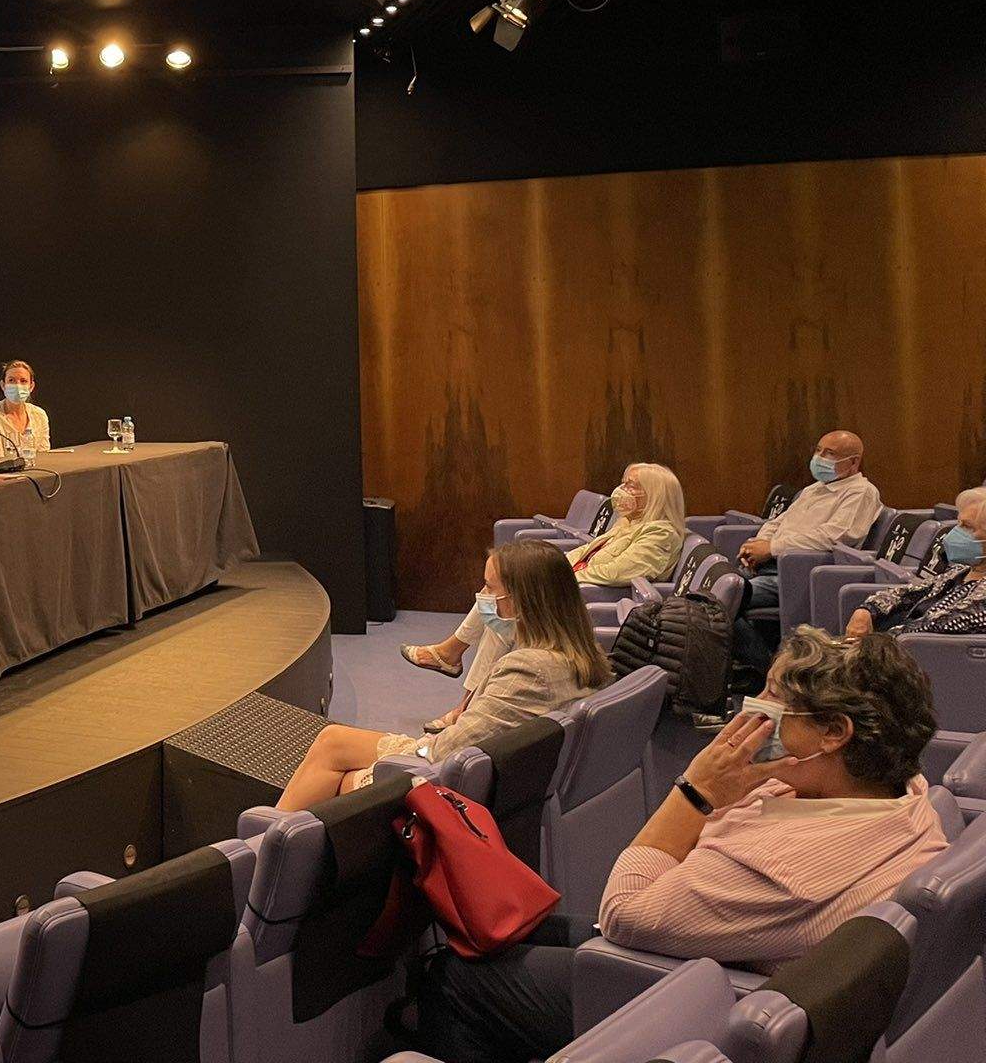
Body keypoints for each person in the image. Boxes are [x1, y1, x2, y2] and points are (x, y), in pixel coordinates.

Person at [416, 626, 946, 1063]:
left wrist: (694, 793)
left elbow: (622, 912)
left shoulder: (784, 870)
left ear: (834, 733)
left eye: (774, 695)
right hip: (732, 944)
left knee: (455, 976)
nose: (754, 707)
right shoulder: (906, 794)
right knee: (513, 929)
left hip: (701, 997)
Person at [274, 541, 609, 810]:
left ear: (523, 602)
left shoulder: (528, 670)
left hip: (455, 788)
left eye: (490, 589)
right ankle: (276, 832)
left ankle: (270, 847)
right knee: (332, 739)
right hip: (497, 774)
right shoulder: (582, 653)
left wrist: (394, 760)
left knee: (341, 778)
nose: (483, 599)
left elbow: (443, 752)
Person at [401, 463, 685, 731]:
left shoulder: (660, 533)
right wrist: (548, 572)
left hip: (585, 608)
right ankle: (465, 700)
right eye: (623, 483)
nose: (621, 491)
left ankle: (456, 672)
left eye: (632, 486)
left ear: (656, 496)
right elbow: (577, 557)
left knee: (502, 609)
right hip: (572, 596)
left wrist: (553, 579)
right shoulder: (627, 526)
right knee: (499, 601)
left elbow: (617, 572)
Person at [735, 430, 883, 667]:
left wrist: (772, 548)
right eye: (818, 450)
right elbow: (777, 523)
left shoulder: (861, 492)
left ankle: (771, 669)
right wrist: (756, 546)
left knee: (723, 600)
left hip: (800, 574)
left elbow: (834, 538)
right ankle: (760, 667)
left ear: (854, 462)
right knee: (709, 596)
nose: (820, 457)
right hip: (769, 565)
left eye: (830, 453)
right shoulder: (813, 489)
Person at [846, 487, 986, 637]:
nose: (953, 533)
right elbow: (907, 593)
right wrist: (866, 611)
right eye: (958, 524)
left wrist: (870, 643)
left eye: (967, 526)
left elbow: (932, 627)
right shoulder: (961, 570)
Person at [0, 358, 49, 460]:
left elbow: (44, 457)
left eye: (23, 381)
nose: (17, 385)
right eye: (11, 380)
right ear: (3, 385)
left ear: (31, 386)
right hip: (0, 474)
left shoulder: (39, 415)